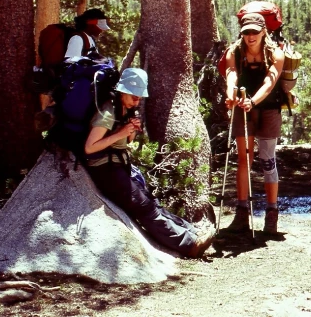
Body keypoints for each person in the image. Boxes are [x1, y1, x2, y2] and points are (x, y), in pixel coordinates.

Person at [84, 67, 214, 258]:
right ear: (122, 91)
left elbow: (126, 142)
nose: (137, 99)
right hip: (105, 169)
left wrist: (131, 131)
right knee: (143, 206)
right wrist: (121, 133)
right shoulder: (108, 111)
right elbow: (90, 147)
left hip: (118, 165)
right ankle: (188, 245)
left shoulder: (125, 109)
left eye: (139, 96)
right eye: (134, 95)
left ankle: (192, 233)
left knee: (150, 202)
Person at [224, 12, 285, 234]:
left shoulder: (275, 54)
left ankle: (271, 212)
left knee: (268, 160)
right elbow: (231, 74)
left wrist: (253, 100)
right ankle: (242, 213)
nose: (250, 37)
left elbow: (270, 83)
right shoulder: (235, 51)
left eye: (255, 32)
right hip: (243, 108)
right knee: (244, 159)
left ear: (263, 32)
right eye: (246, 32)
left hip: (268, 108)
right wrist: (231, 94)